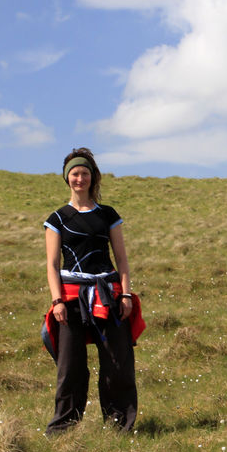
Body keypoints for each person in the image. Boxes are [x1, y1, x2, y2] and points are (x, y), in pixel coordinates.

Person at [42, 148, 143, 434]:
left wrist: (125, 294)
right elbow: (52, 265)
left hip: (108, 295)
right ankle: (63, 430)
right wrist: (57, 300)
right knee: (70, 367)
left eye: (85, 173)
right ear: (67, 178)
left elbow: (121, 259)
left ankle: (119, 426)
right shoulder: (57, 218)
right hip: (71, 299)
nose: (80, 178)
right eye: (75, 173)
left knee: (117, 362)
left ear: (92, 177)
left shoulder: (108, 215)